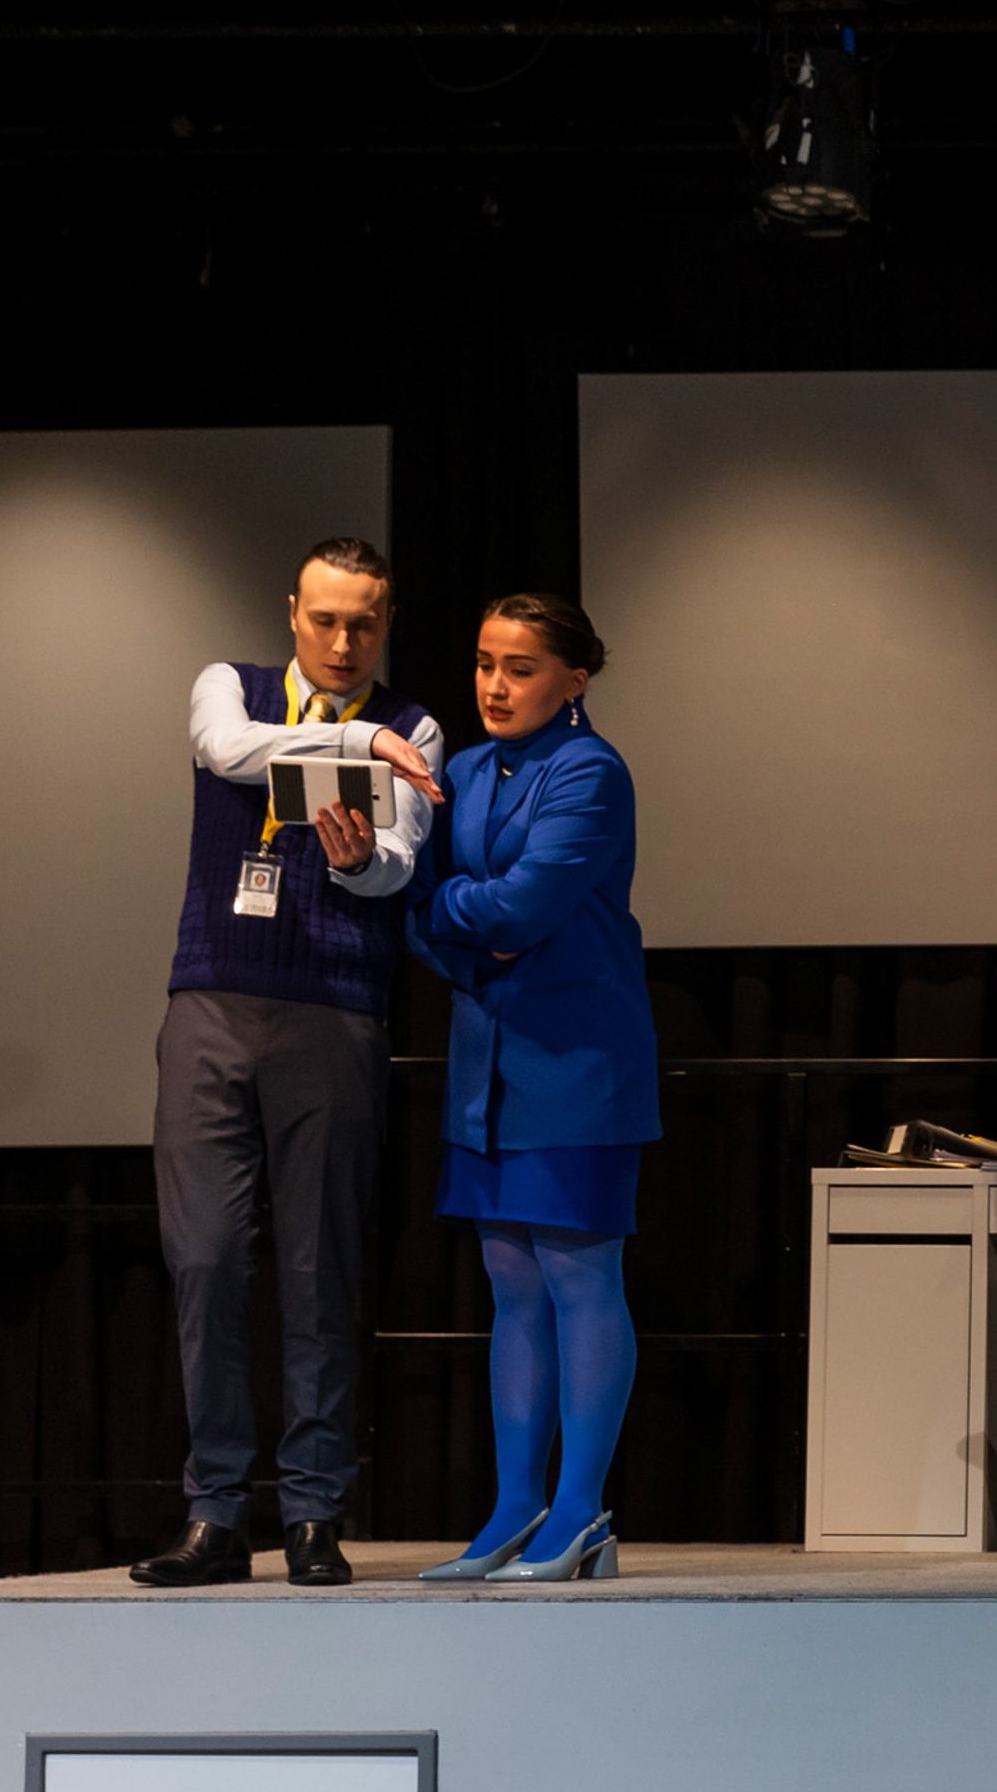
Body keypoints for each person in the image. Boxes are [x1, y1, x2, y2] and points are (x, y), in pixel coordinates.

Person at [134, 539, 450, 1590]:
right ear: (293, 613)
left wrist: (360, 863)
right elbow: (228, 752)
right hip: (214, 1000)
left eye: (364, 621)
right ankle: (215, 1513)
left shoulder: (419, 729)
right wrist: (351, 734)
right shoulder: (232, 686)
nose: (345, 640)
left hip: (333, 1013)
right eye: (326, 619)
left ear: (387, 619)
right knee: (208, 1259)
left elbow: (398, 865)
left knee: (321, 1266)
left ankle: (314, 1511)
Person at [409, 593, 662, 1584]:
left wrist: (458, 910)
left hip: (577, 1062)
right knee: (511, 1286)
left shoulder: (591, 772)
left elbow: (527, 901)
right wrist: (466, 918)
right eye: (483, 662)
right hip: (487, 1064)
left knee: (577, 1275)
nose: (494, 684)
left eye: (518, 666)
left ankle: (583, 1511)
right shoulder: (465, 771)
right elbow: (432, 922)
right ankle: (517, 1504)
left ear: (574, 678)